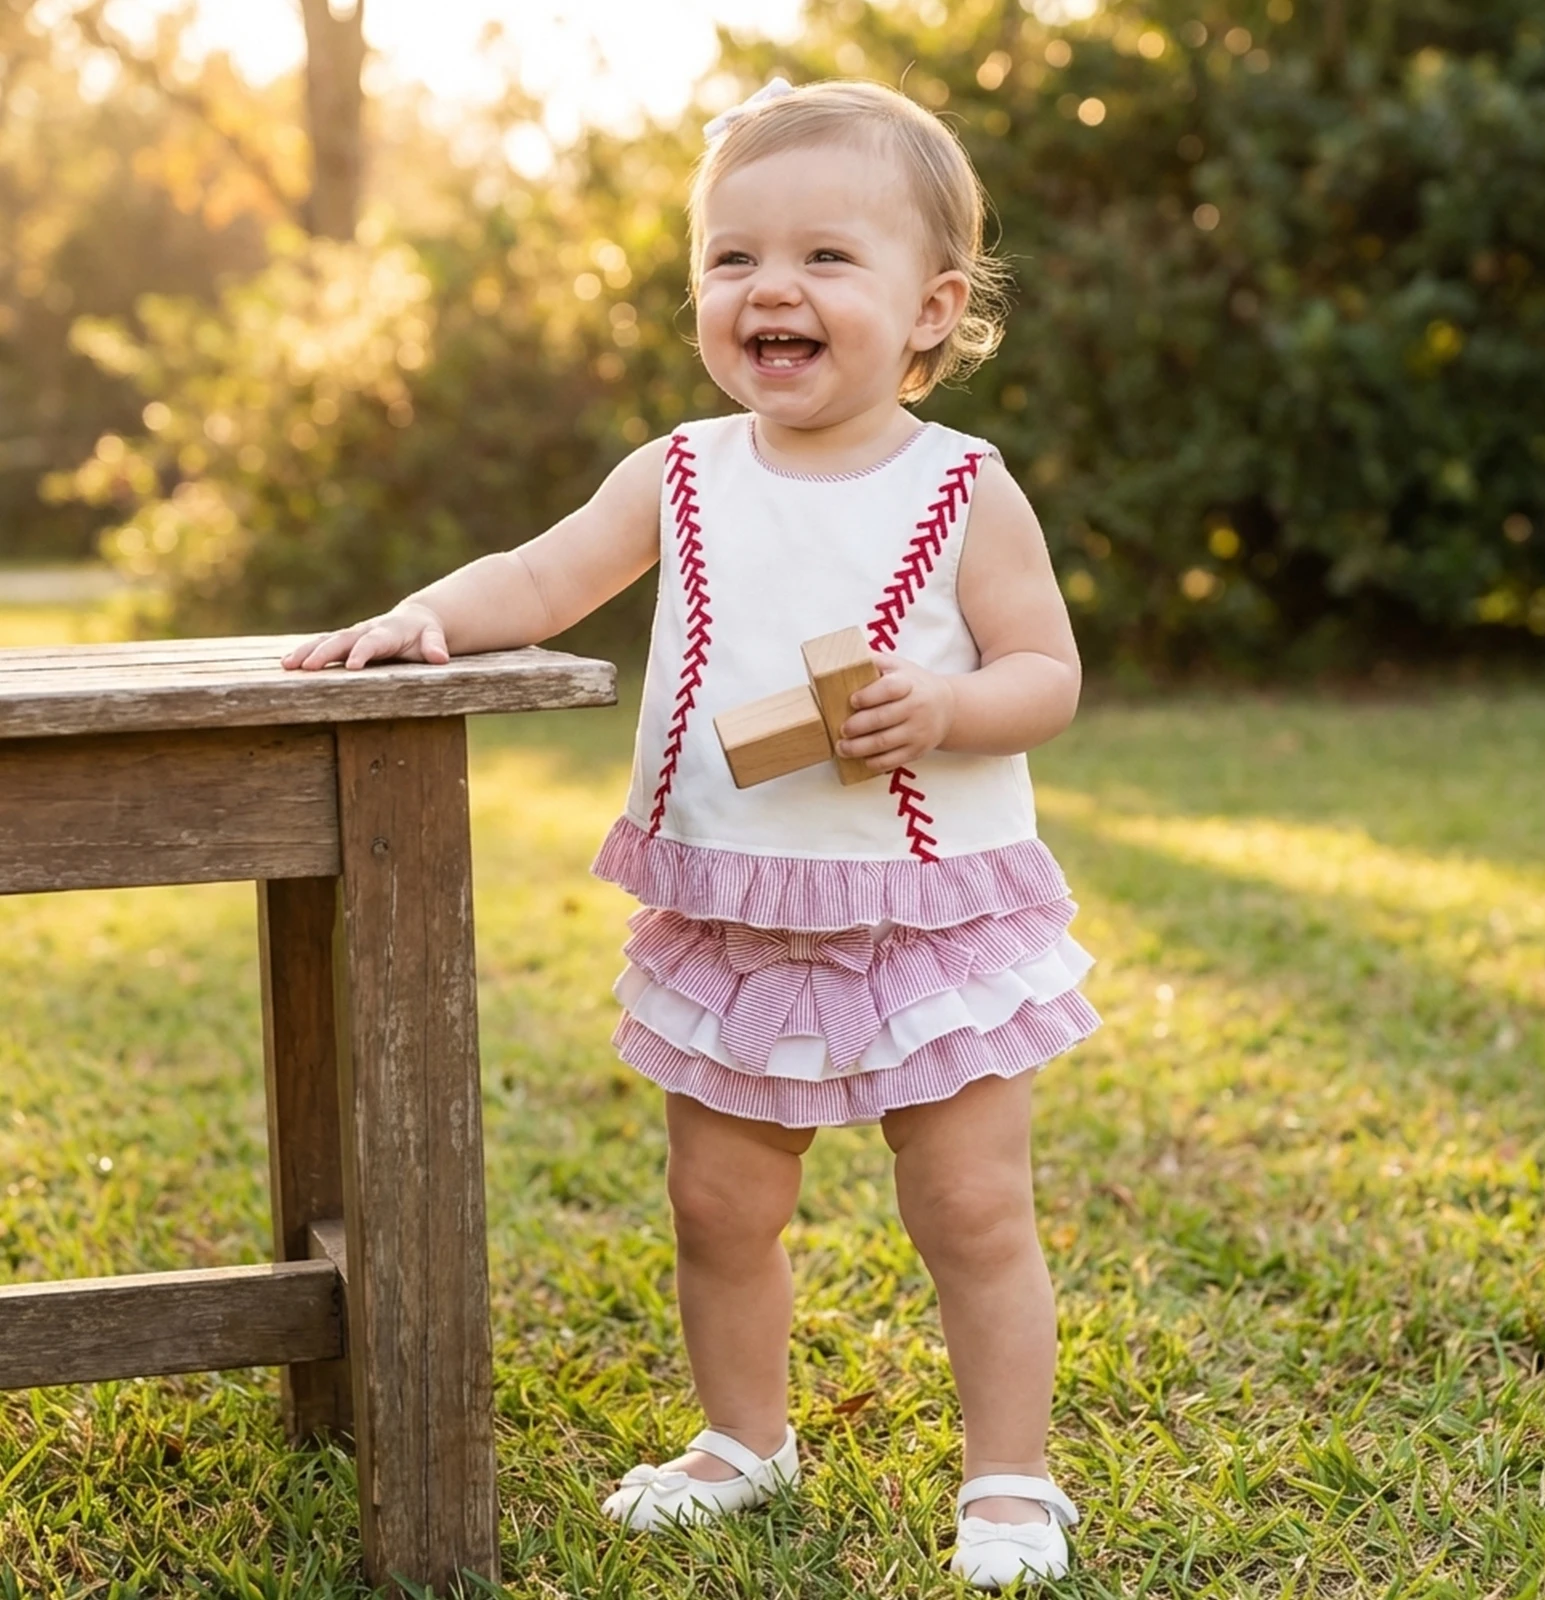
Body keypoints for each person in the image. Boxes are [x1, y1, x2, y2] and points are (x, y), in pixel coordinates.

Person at [283, 76, 1100, 1590]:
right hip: (734, 911)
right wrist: (426, 614)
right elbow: (540, 577)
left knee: (971, 1206)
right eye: (734, 258)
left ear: (931, 309)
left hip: (924, 909)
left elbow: (1045, 674)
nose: (770, 287)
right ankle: (743, 1439)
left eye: (825, 257)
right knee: (719, 1204)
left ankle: (1010, 1478)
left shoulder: (960, 489)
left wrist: (942, 706)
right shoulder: (680, 473)